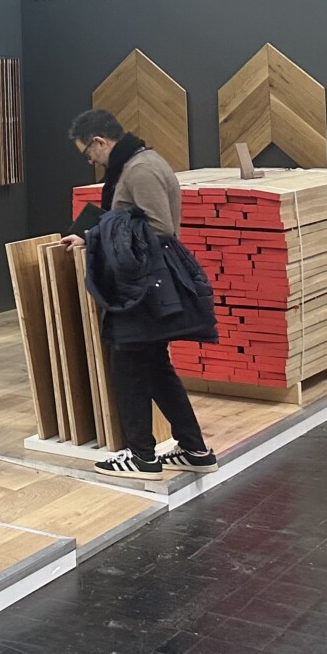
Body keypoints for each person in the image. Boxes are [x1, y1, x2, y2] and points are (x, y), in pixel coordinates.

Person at [64, 108, 219, 480]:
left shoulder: (140, 169)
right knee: (156, 368)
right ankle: (195, 450)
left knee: (129, 368)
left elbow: (159, 227)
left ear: (100, 141)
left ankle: (142, 457)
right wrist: (88, 235)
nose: (90, 161)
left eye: (88, 153)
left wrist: (97, 235)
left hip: (142, 287)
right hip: (145, 283)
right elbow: (127, 218)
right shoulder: (137, 163)